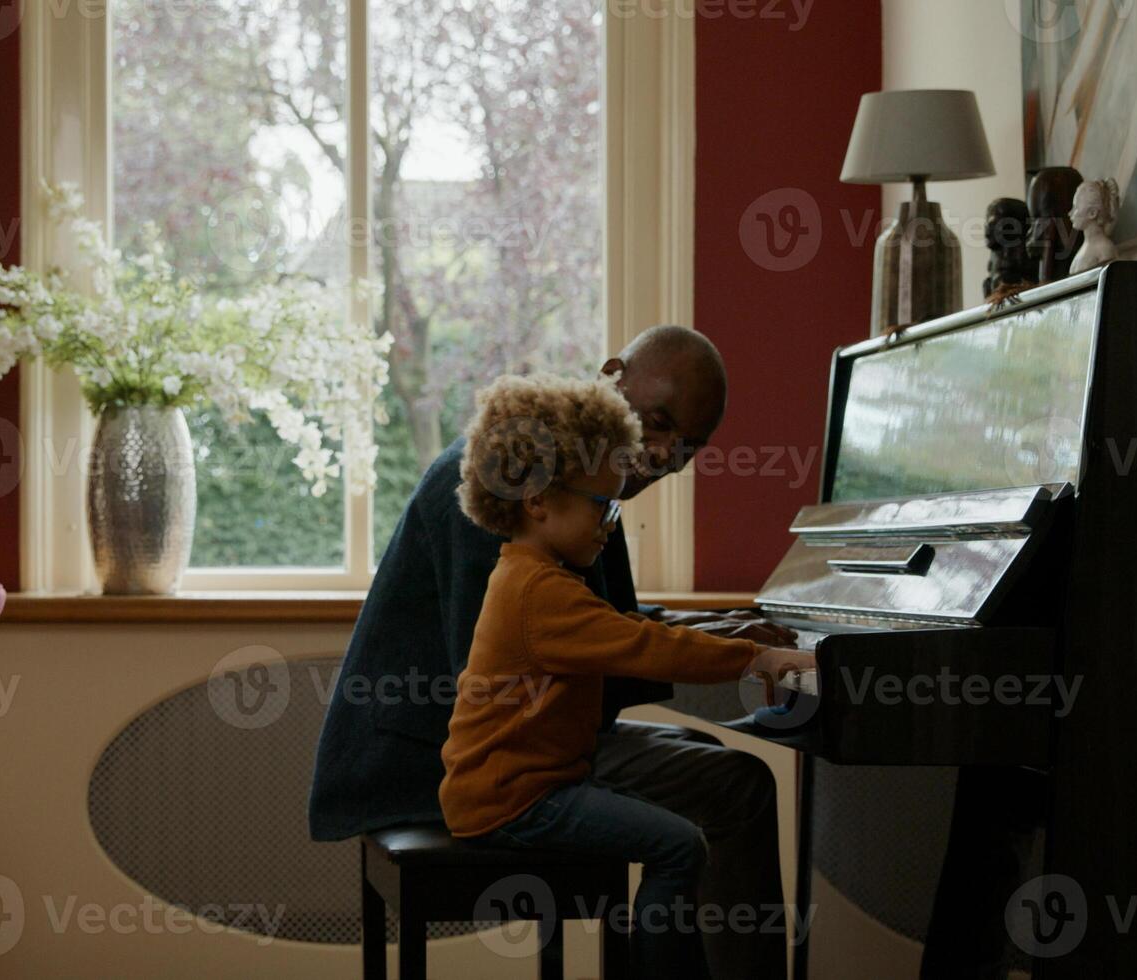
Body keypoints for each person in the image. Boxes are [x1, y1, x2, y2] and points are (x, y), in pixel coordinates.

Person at [309, 325, 801, 977]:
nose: (661, 453)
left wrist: (718, 629)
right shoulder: (519, 488)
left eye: (685, 447)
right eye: (655, 423)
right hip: (432, 762)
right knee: (738, 786)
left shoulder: (582, 477)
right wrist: (711, 650)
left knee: (709, 761)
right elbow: (539, 660)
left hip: (486, 734)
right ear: (611, 375)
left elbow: (602, 623)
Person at [438, 373, 814, 978]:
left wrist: (732, 638)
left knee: (685, 816)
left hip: (536, 776)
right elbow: (644, 645)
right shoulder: (541, 592)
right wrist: (755, 657)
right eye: (602, 505)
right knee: (677, 845)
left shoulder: (532, 573)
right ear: (537, 500)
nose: (610, 523)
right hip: (517, 797)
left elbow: (636, 634)